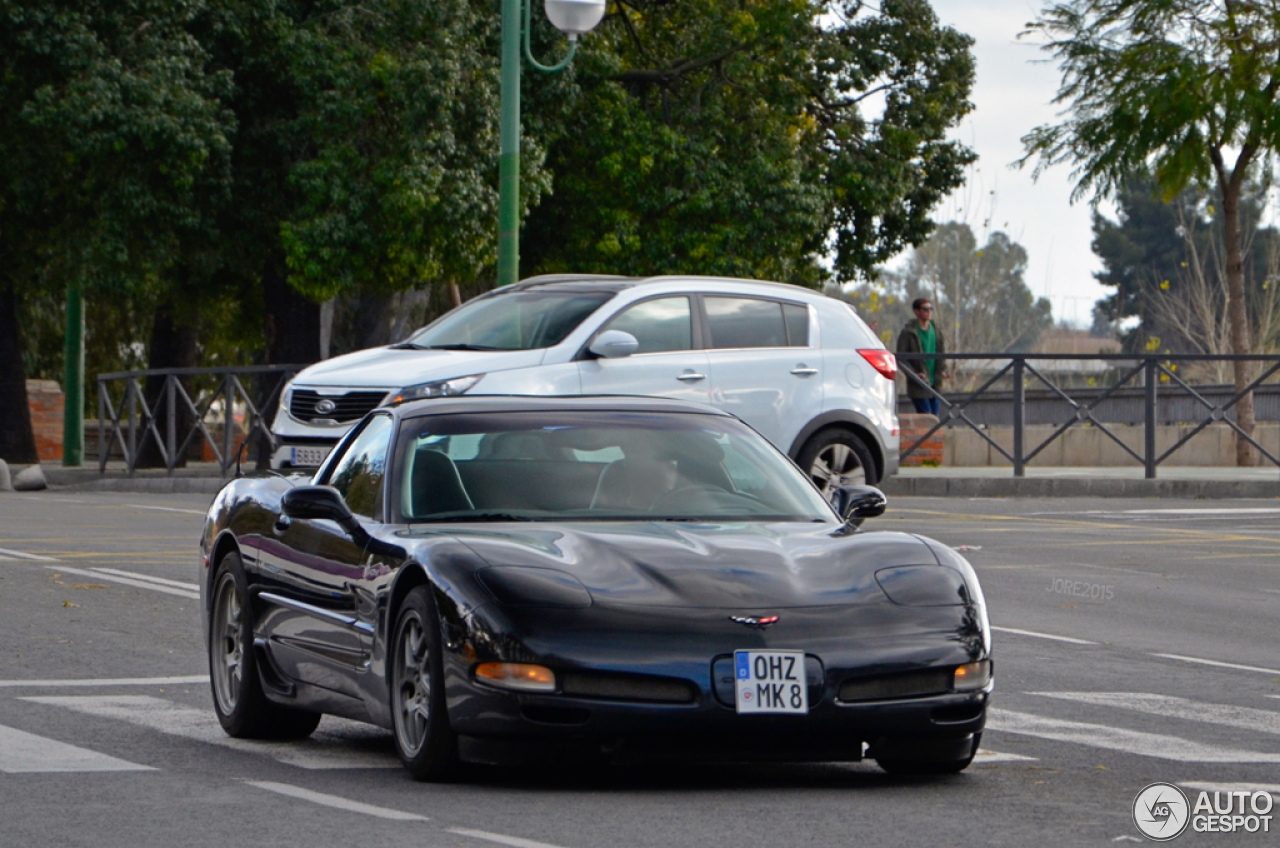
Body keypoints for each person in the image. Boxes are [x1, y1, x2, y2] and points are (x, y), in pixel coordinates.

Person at [896, 298, 949, 416]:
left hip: (935, 382)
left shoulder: (936, 330)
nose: (929, 311)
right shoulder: (908, 332)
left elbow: (941, 353)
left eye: (931, 309)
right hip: (919, 384)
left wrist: (943, 370)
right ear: (917, 311)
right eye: (925, 309)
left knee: (935, 418)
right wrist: (914, 374)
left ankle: (931, 435)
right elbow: (900, 357)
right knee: (926, 416)